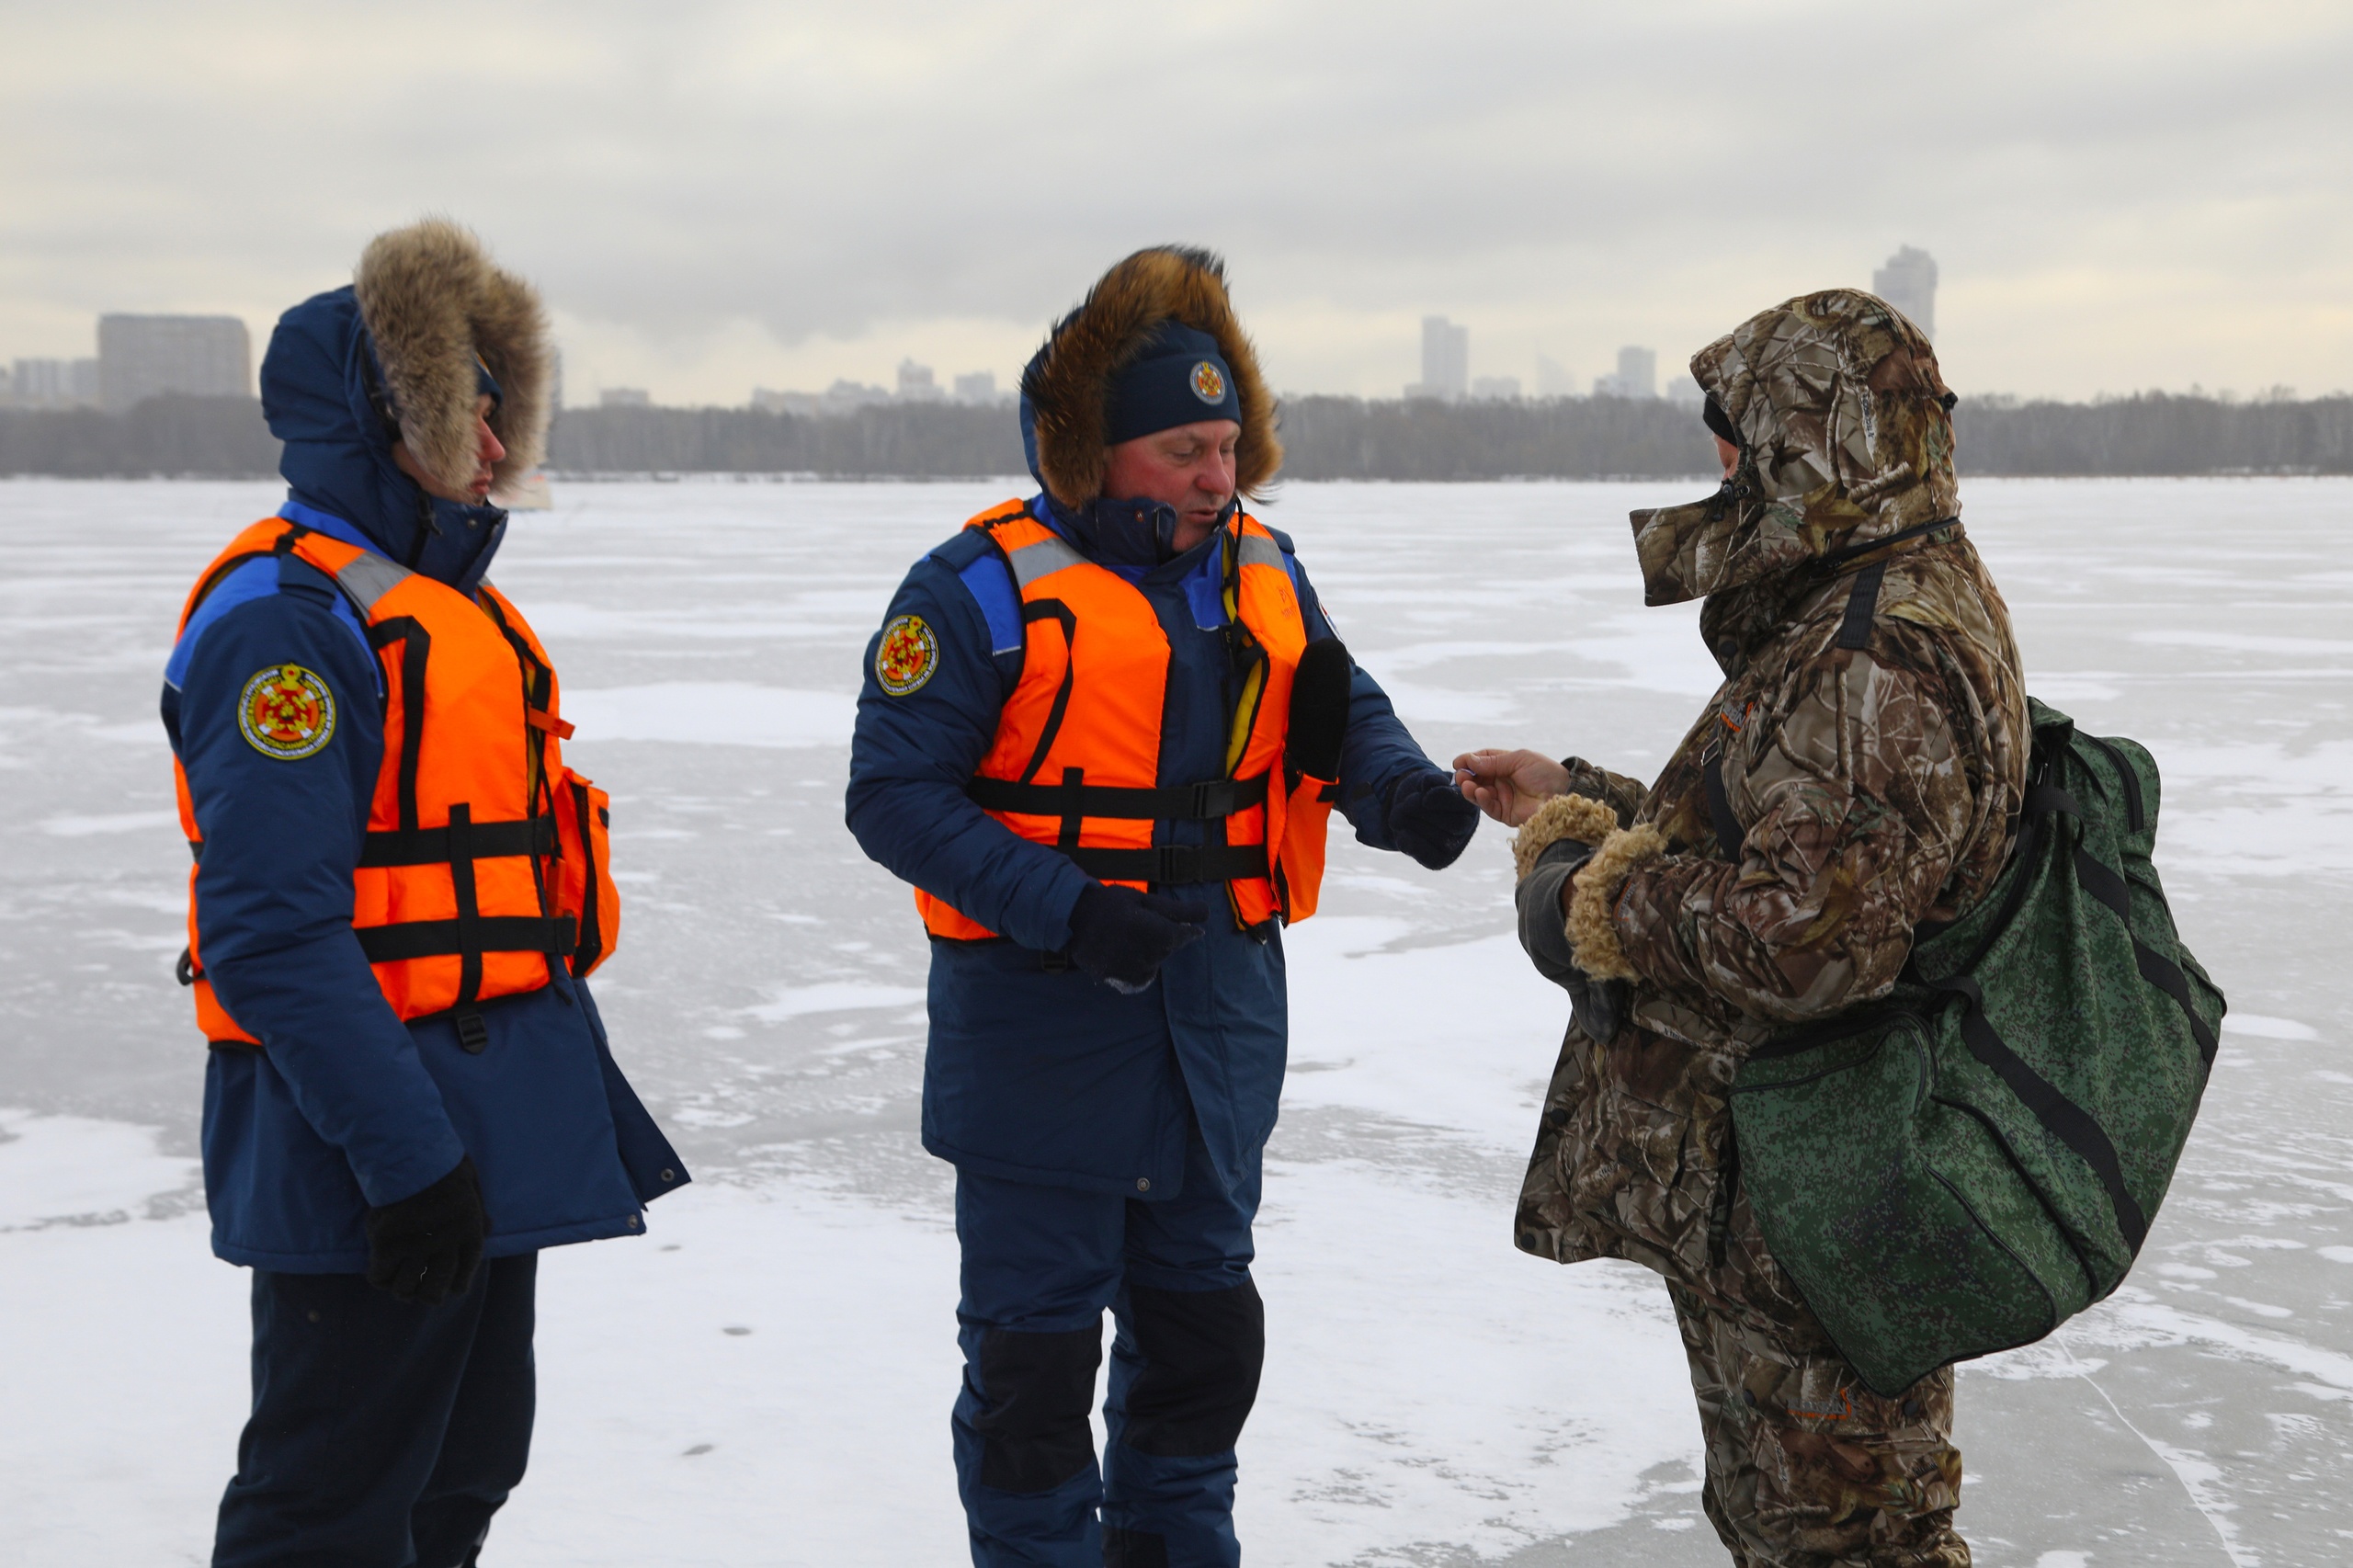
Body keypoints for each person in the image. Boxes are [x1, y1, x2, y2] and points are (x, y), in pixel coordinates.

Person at [847, 245, 1479, 1568]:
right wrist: (1068, 908)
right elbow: (894, 795)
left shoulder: (1263, 562)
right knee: (1032, 1385)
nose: (1217, 476)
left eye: (1230, 444)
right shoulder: (976, 590)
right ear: (1097, 451)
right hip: (1041, 1041)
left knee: (1202, 1356)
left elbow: (1333, 700)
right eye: (1185, 448)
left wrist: (1399, 787)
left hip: (1216, 1033)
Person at [1458, 290, 2026, 1568]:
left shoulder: (1884, 648)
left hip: (1824, 1210)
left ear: (1811, 443)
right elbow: (1798, 834)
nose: (1722, 465)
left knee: (1853, 1544)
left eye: (1744, 435)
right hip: (1781, 1203)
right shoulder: (1857, 608)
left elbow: (1805, 938)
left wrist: (1588, 898)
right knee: (1795, 1532)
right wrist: (1585, 802)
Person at [164, 219, 688, 1568]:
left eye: (505, 415)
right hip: (370, 1139)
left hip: (475, 1117)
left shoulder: (445, 605)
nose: (499, 451)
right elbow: (274, 933)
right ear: (386, 415)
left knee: (460, 1472)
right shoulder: (288, 623)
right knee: (328, 1508)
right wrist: (409, 1164)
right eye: (474, 416)